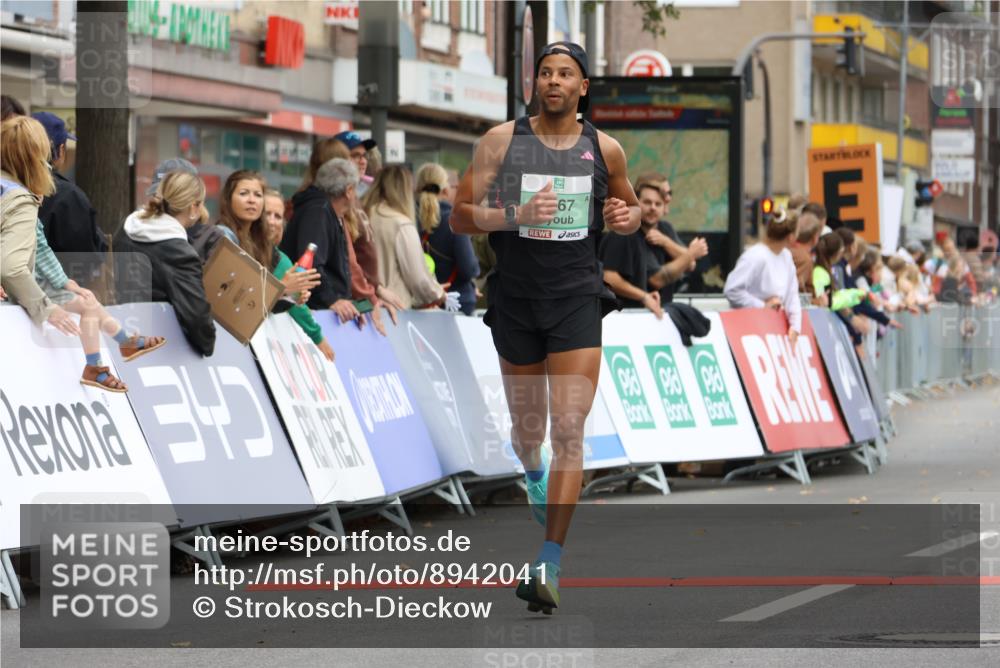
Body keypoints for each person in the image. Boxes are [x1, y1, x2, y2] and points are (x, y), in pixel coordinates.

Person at [451, 41, 641, 614]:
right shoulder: (501, 140)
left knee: (569, 430)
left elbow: (630, 213)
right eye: (545, 73)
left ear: (583, 87)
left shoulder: (605, 149)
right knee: (528, 431)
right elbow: (459, 215)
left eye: (565, 73)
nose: (553, 81)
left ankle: (549, 564)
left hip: (576, 299)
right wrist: (514, 216)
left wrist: (624, 217)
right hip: (516, 299)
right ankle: (532, 471)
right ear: (534, 83)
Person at [2, 116, 165, 391]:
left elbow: (38, 248)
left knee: (87, 301)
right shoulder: (22, 200)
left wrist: (64, 282)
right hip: (20, 292)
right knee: (88, 303)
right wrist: (47, 309)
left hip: (21, 289)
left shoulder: (12, 192)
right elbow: (13, 266)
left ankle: (122, 343)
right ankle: (103, 360)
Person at [114, 171, 216, 357]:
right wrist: (209, 343)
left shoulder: (127, 226)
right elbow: (196, 317)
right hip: (159, 348)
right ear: (193, 207)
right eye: (201, 204)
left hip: (120, 334)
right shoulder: (180, 253)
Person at [217, 170, 321, 312]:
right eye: (243, 193)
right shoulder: (222, 236)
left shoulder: (262, 244)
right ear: (228, 199)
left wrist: (289, 296)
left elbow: (262, 307)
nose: (252, 200)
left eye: (258, 195)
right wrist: (282, 287)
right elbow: (230, 299)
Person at [600, 180, 707, 318]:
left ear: (665, 207)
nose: (653, 208)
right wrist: (644, 296)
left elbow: (690, 264)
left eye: (658, 204)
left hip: (659, 315)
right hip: (624, 316)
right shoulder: (624, 232)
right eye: (647, 202)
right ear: (635, 203)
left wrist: (667, 243)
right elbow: (609, 277)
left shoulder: (665, 229)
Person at [30, 112, 107, 288]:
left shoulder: (8, 186)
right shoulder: (68, 196)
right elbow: (85, 262)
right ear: (61, 150)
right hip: (60, 293)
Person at [263, 189, 336, 361]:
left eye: (278, 216)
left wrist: (292, 297)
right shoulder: (232, 240)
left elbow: (293, 303)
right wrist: (317, 337)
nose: (272, 221)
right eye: (267, 214)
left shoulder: (280, 259)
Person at [365, 165, 447, 310]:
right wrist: (438, 293)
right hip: (394, 307)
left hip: (364, 305)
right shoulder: (401, 224)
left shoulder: (361, 215)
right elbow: (418, 278)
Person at [724, 215, 802, 348]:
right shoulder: (755, 256)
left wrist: (795, 326)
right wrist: (762, 306)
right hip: (746, 330)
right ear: (791, 237)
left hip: (771, 330)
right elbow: (732, 290)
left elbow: (792, 294)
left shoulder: (786, 256)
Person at [416, 162, 480, 315]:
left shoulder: (412, 219)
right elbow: (469, 269)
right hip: (455, 301)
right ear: (445, 190)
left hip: (423, 301)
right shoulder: (454, 221)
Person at [790, 209, 823, 298]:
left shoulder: (785, 249)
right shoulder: (805, 260)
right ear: (815, 237)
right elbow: (795, 291)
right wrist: (818, 301)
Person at [334, 131, 377, 197]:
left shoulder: (373, 188)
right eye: (355, 156)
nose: (363, 162)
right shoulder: (324, 191)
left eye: (365, 155)